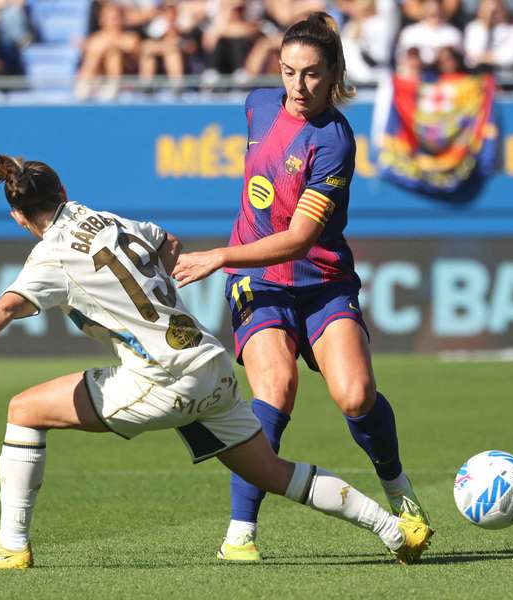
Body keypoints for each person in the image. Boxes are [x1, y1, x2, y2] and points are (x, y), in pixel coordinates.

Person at [0, 124, 433, 570]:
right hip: (209, 363)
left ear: (18, 216)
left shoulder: (49, 255)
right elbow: (166, 241)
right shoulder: (105, 219)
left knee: (23, 409)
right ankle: (394, 530)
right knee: (275, 474)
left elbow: (3, 309)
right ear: (63, 191)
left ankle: (11, 545)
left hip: (162, 378)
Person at [171, 12, 431, 563]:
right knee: (275, 388)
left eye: (311, 74)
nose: (297, 86)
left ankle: (398, 491)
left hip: (321, 283)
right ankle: (240, 534)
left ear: (334, 72)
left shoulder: (334, 141)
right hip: (258, 280)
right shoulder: (258, 106)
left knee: (356, 396)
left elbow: (298, 239)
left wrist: (218, 255)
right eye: (288, 71)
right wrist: (234, 261)